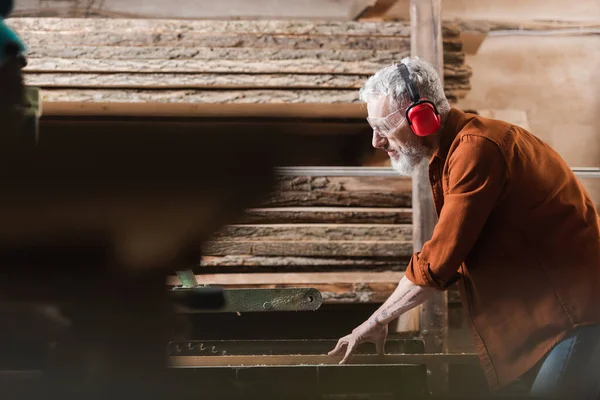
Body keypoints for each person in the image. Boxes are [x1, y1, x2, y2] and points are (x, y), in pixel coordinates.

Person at [328, 56, 600, 398]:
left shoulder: (475, 150)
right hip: (564, 317)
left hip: (576, 313)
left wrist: (374, 322)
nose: (376, 141)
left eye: (383, 127)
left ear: (421, 118)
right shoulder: (456, 152)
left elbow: (440, 259)